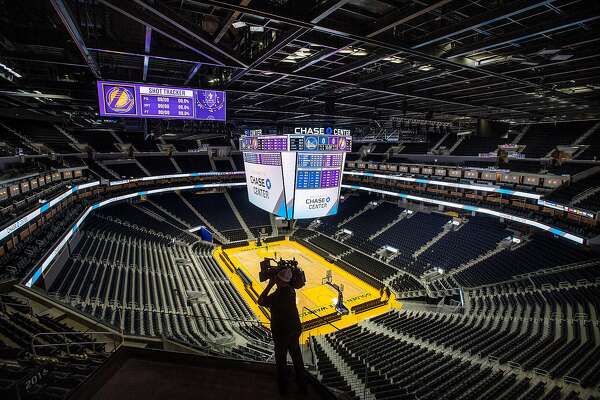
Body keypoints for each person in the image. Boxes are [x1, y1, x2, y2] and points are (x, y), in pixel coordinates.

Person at [258, 268, 306, 396]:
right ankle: (303, 387)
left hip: (282, 333)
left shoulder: (276, 296)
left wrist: (269, 285)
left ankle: (283, 390)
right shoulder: (291, 291)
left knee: (281, 361)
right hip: (295, 329)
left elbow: (261, 301)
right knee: (297, 359)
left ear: (278, 280)